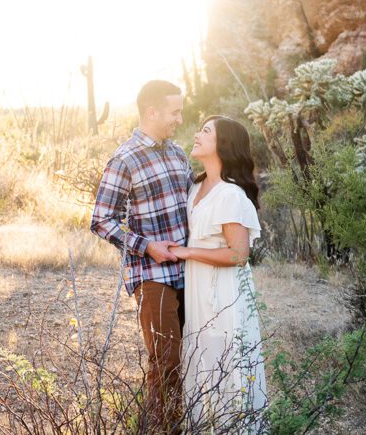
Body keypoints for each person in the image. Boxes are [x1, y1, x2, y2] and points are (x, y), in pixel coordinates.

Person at [91, 80, 192, 433]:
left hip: (190, 273)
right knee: (166, 360)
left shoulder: (178, 153)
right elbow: (101, 220)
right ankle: (161, 429)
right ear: (152, 112)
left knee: (190, 359)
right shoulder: (125, 159)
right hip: (152, 276)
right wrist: (147, 246)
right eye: (175, 111)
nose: (180, 118)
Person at [172, 115, 266, 433]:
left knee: (225, 363)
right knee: (201, 363)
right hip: (197, 288)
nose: (197, 134)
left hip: (224, 291)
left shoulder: (231, 194)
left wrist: (187, 252)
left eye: (206, 131)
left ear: (223, 144)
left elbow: (239, 254)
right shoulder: (196, 187)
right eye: (199, 128)